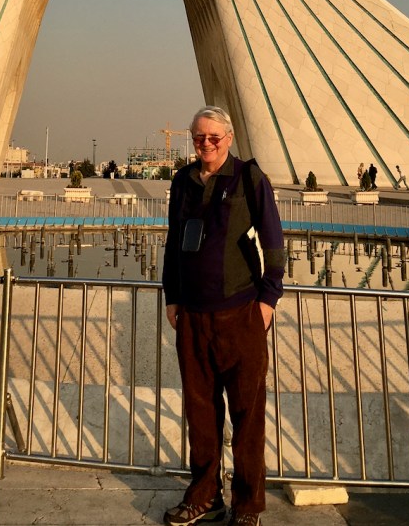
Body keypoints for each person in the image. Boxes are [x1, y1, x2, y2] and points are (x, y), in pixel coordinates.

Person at [162, 106, 285, 526]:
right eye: (199, 137)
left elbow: (273, 243)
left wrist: (268, 300)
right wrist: (172, 297)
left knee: (247, 414)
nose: (206, 144)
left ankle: (248, 505)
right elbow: (172, 243)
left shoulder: (250, 179)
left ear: (229, 138)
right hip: (194, 317)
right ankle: (205, 497)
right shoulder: (182, 181)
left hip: (241, 314)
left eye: (214, 137)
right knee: (200, 411)